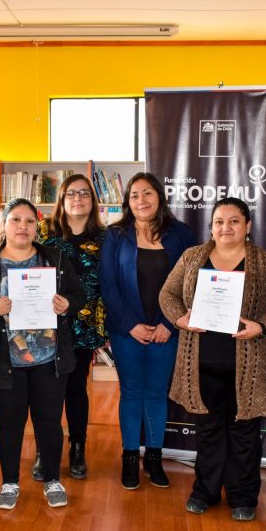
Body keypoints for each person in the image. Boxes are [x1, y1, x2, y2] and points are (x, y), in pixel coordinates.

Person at [159, 197, 266, 520]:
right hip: (200, 365)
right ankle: (205, 492)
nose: (225, 228)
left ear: (248, 226)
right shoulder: (192, 257)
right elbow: (167, 294)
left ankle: (243, 498)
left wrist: (261, 326)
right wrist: (179, 319)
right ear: (211, 226)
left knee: (244, 436)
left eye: (234, 221)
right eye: (218, 222)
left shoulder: (265, 262)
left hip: (249, 367)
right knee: (209, 431)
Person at [0, 198, 85, 510]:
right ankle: (10, 482)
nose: (22, 227)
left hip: (49, 360)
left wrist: (67, 304)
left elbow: (79, 295)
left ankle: (53, 479)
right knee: (10, 424)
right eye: (15, 220)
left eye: (29, 221)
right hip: (6, 361)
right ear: (3, 225)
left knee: (50, 423)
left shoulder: (54, 259)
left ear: (37, 225)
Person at [101, 172, 195, 489]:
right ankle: (130, 457)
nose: (142, 200)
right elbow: (108, 284)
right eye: (135, 195)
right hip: (127, 331)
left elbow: (190, 283)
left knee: (156, 394)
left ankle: (153, 458)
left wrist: (170, 324)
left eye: (148, 193)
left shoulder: (181, 234)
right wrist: (131, 325)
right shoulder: (116, 235)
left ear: (159, 197)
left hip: (167, 331)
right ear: (128, 202)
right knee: (131, 394)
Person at [32, 174, 108, 481]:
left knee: (76, 390)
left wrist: (104, 329)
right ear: (61, 199)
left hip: (83, 327)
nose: (78, 199)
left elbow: (109, 284)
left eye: (85, 194)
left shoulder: (106, 238)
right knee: (44, 393)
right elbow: (11, 260)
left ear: (93, 200)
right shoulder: (42, 230)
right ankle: (44, 451)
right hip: (41, 326)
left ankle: (78, 449)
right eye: (71, 193)